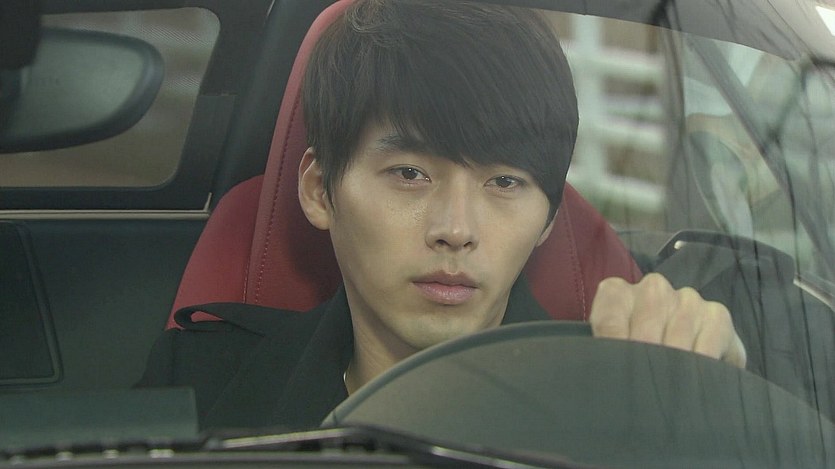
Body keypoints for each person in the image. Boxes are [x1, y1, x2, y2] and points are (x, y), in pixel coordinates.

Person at [138, 0, 746, 430]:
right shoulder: (200, 381)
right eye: (410, 174)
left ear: (547, 219)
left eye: (504, 182)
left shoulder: (626, 398)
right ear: (321, 190)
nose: (456, 230)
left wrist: (712, 408)